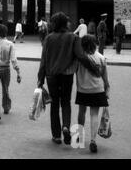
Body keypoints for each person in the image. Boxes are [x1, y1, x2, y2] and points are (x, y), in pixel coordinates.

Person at [37, 12, 101, 145]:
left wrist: (40, 79)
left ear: (55, 24)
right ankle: (66, 126)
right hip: (67, 75)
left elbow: (43, 61)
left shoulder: (48, 38)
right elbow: (82, 57)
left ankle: (56, 136)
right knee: (65, 101)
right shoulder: (73, 37)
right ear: (65, 23)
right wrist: (94, 68)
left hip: (51, 75)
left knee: (54, 103)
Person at [76, 35, 110, 153]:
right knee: (94, 115)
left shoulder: (80, 58)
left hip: (83, 89)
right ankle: (93, 141)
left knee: (81, 112)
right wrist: (107, 90)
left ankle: (79, 137)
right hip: (97, 90)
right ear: (95, 44)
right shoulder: (101, 57)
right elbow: (105, 78)